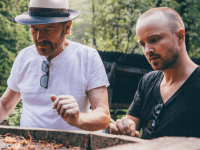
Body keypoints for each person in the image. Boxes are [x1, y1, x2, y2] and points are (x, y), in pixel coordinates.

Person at [0, 0, 110, 131]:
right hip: (27, 145)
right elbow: (5, 106)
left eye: (48, 29)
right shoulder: (24, 57)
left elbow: (103, 116)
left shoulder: (87, 57)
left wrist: (78, 119)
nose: (40, 38)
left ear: (67, 27)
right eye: (34, 29)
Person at [110, 7, 200, 139]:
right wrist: (123, 129)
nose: (147, 50)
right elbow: (130, 125)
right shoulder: (147, 82)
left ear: (180, 36)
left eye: (153, 40)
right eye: (142, 44)